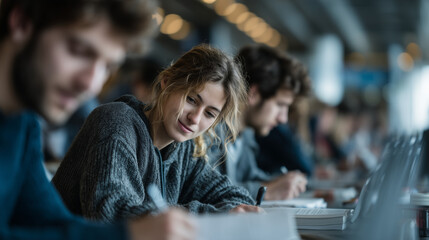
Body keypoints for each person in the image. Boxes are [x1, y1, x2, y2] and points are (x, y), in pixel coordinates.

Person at [0, 0, 197, 239]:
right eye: (79, 51)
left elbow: (46, 221)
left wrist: (134, 232)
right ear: (21, 23)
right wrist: (128, 234)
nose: (91, 85)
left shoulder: (22, 122)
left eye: (107, 67)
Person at [52, 44, 260, 223]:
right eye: (191, 100)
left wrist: (228, 212)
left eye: (209, 113)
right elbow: (110, 214)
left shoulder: (182, 149)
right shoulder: (115, 122)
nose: (195, 119)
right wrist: (213, 214)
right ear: (166, 82)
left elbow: (237, 198)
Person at [208, 44, 312, 200]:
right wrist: (266, 191)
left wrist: (293, 185)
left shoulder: (245, 136)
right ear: (254, 94)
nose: (283, 118)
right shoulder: (209, 128)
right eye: (280, 105)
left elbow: (250, 178)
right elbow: (206, 190)